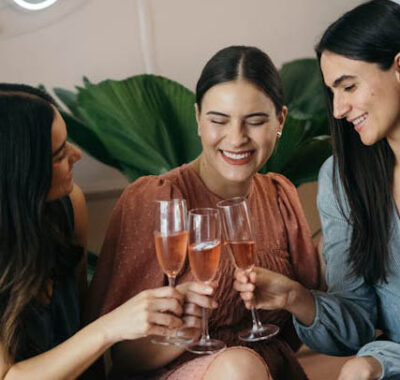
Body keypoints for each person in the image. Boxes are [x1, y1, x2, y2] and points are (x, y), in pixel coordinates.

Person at [85, 45, 321, 379]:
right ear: (197, 118)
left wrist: (292, 296)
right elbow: (118, 359)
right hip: (182, 372)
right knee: (239, 368)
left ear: (279, 120)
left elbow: (307, 328)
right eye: (218, 121)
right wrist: (181, 336)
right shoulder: (157, 199)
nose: (236, 138)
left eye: (254, 121)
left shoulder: (280, 196)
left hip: (268, 371)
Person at [234, 1, 400, 379]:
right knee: (357, 370)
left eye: (349, 86)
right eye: (333, 93)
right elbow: (356, 324)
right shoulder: (344, 179)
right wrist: (295, 297)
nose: (339, 109)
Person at [0, 84, 188, 379]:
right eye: (59, 154)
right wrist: (111, 326)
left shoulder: (69, 206)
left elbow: (83, 322)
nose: (77, 155)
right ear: (19, 173)